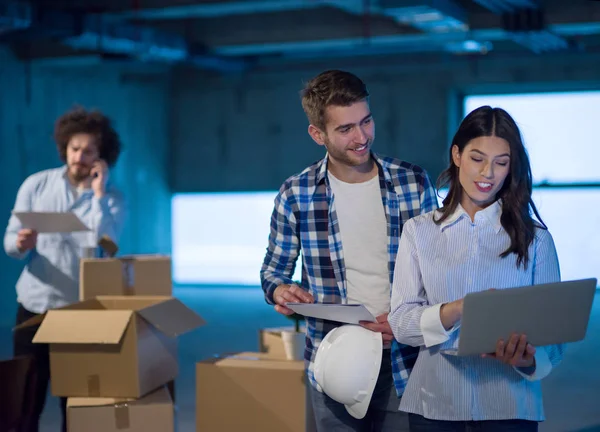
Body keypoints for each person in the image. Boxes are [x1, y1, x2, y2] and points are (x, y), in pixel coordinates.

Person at [260, 70, 438, 431]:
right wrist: (280, 289)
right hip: (335, 360)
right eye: (345, 129)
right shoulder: (296, 193)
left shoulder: (412, 181)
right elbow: (272, 272)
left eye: (366, 121)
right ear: (317, 134)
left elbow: (439, 268)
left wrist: (412, 317)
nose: (361, 137)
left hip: (405, 359)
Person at [389, 105, 562, 432]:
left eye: (501, 163)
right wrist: (457, 310)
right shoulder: (418, 231)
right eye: (477, 158)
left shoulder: (536, 240)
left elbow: (553, 342)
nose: (488, 174)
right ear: (457, 155)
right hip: (432, 405)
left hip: (510, 408)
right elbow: (401, 323)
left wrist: (528, 359)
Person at [4, 107, 127, 432]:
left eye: (88, 151)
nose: (79, 157)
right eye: (75, 149)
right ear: (64, 148)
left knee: (76, 402)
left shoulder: (113, 198)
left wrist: (98, 197)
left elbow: (109, 245)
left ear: (101, 157)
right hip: (34, 306)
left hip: (81, 311)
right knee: (25, 400)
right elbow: (9, 244)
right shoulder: (37, 185)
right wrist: (21, 243)